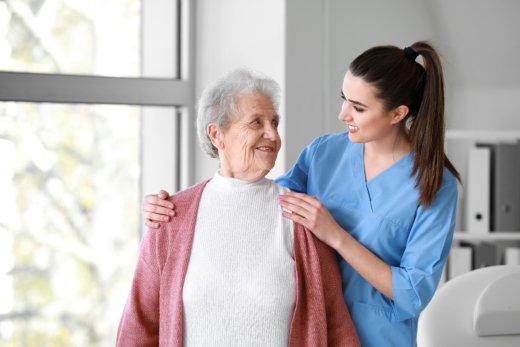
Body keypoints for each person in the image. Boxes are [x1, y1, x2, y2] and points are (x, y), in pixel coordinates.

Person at [140, 41, 462, 347]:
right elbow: (260, 201)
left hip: (375, 338)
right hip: (310, 333)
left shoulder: (435, 185)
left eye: (358, 107)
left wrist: (335, 235)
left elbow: (412, 293)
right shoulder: (324, 153)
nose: (343, 114)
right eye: (344, 99)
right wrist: (176, 210)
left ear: (398, 114)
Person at [117, 68, 360, 347]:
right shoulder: (171, 217)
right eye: (256, 122)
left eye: (274, 122)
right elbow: (138, 328)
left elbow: (337, 327)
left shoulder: (302, 218)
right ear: (216, 134)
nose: (272, 134)